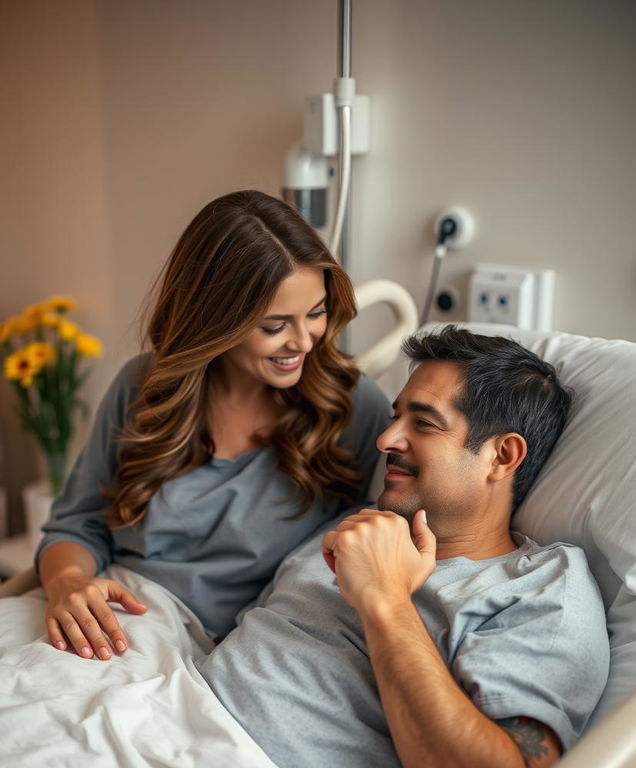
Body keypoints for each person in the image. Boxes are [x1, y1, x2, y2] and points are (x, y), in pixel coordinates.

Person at [197, 326, 609, 768]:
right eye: (396, 415)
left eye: (424, 423)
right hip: (152, 712)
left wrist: (385, 600)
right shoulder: (359, 527)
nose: (386, 439)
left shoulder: (541, 591)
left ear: (502, 456)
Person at [36, 190, 390, 661]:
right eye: (275, 325)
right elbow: (75, 526)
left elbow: (380, 549)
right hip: (119, 613)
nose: (304, 341)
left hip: (241, 649)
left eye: (317, 312)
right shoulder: (144, 388)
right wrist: (67, 583)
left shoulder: (352, 409)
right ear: (214, 320)